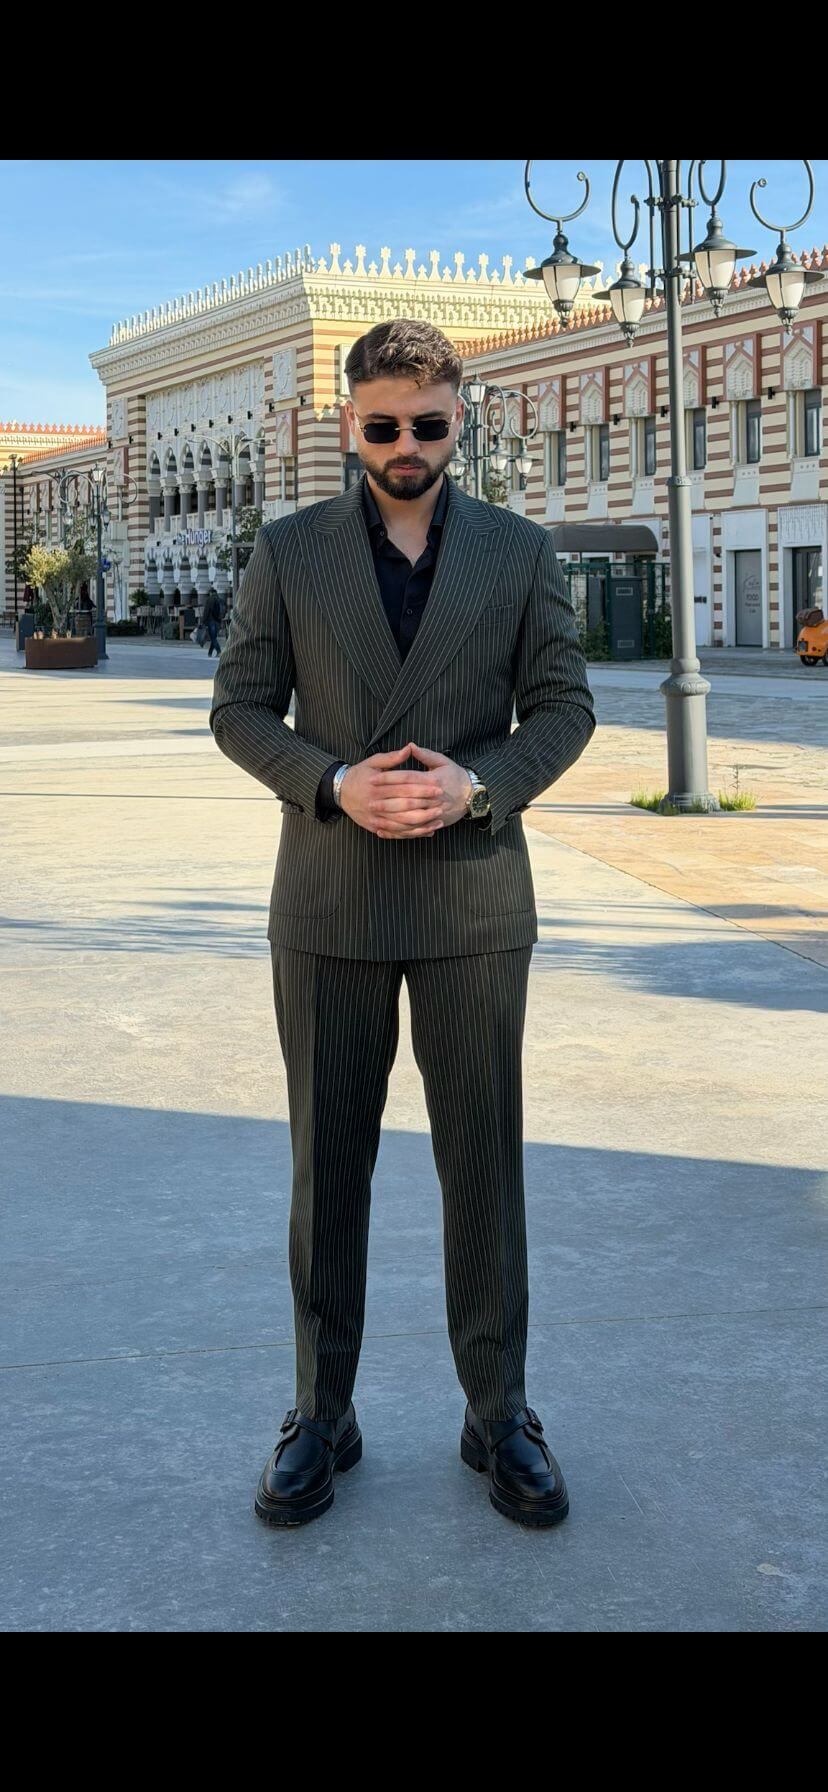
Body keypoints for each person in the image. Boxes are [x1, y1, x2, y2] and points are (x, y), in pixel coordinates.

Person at [209, 318, 597, 1530]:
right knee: (328, 1168)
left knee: (483, 1163)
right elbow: (236, 709)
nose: (405, 448)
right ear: (349, 425)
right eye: (382, 427)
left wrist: (478, 784)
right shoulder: (288, 551)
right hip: (329, 897)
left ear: (458, 418)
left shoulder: (521, 552)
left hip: (475, 896)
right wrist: (331, 780)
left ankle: (500, 1411)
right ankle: (320, 1411)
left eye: (428, 426)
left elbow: (566, 706)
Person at [201, 590, 222, 657]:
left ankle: (219, 651)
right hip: (218, 621)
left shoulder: (210, 599)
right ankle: (210, 653)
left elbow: (206, 611)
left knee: (213, 638)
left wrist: (203, 621)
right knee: (214, 637)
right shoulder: (220, 599)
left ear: (210, 593)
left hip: (211, 621)